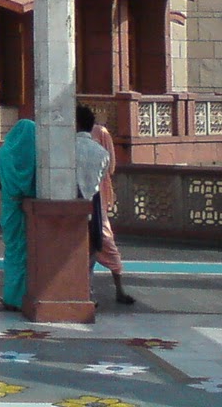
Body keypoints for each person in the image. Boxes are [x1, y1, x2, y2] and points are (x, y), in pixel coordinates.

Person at [76, 104, 135, 306]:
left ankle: (86, 292)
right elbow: (106, 171)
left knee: (76, 250)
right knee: (99, 245)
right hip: (93, 201)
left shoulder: (64, 149)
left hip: (70, 203)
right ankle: (94, 292)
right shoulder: (100, 152)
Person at [0, 118, 37, 312]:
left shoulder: (2, 154)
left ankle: (11, 296)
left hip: (9, 207)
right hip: (29, 209)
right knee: (28, 252)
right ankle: (25, 295)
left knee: (12, 251)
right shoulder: (35, 155)